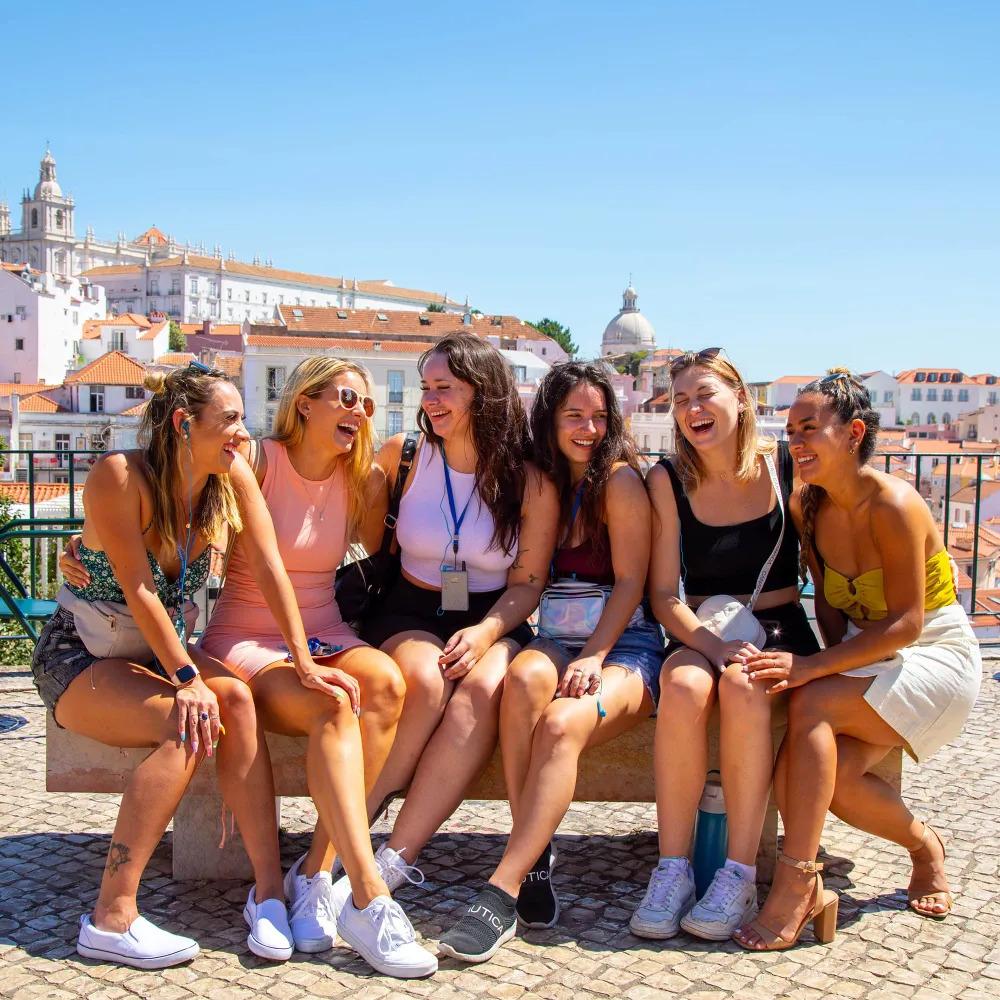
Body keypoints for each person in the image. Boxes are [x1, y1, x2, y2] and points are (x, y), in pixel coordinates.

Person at [34, 362, 330, 969]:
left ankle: (269, 894)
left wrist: (303, 661)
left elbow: (273, 569)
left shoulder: (228, 477)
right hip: (83, 649)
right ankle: (111, 918)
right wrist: (189, 679)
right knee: (185, 723)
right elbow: (140, 589)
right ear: (182, 423)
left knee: (240, 700)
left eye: (242, 421)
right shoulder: (122, 476)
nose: (241, 434)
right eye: (228, 421)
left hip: (154, 649)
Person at [734, 370, 981, 951]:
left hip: (934, 655)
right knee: (833, 780)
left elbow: (907, 623)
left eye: (810, 429)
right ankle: (926, 848)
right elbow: (828, 599)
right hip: (875, 659)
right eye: (791, 429)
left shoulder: (894, 505)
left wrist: (815, 669)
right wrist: (830, 660)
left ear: (853, 434)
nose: (796, 441)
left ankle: (798, 883)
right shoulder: (808, 506)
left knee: (812, 697)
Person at [437, 361, 662, 963]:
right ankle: (534, 854)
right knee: (521, 678)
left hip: (626, 646)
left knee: (562, 723)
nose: (588, 428)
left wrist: (596, 655)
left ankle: (502, 889)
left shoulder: (619, 483)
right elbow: (531, 580)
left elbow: (632, 582)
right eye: (574, 416)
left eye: (598, 416)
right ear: (550, 421)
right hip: (556, 640)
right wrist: (489, 633)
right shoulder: (545, 483)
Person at [329, 333, 559, 914]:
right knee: (427, 681)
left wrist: (485, 635)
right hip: (409, 606)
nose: (430, 400)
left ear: (484, 394)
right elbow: (340, 511)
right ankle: (346, 839)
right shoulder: (402, 455)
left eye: (444, 389)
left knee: (482, 690)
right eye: (426, 387)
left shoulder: (528, 478)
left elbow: (528, 583)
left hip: (493, 616)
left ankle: (395, 860)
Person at [631, 347, 820, 943]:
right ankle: (673, 868)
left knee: (744, 686)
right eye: (681, 399)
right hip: (704, 628)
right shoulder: (666, 479)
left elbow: (829, 556)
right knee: (683, 684)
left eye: (704, 394)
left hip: (780, 627)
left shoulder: (786, 467)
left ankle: (739, 873)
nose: (692, 409)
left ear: (740, 398)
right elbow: (664, 596)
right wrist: (708, 648)